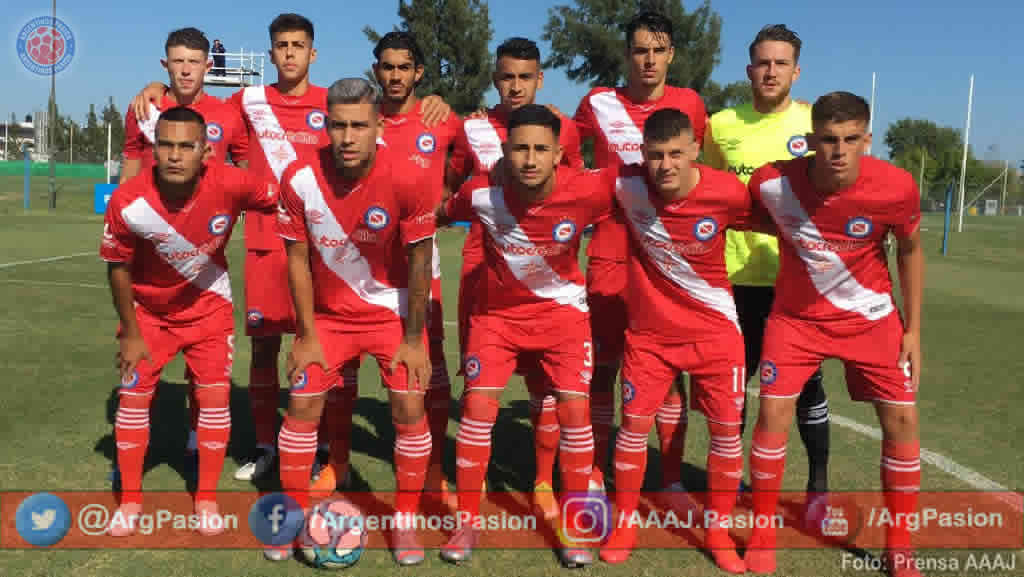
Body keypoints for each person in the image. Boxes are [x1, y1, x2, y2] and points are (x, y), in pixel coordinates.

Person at [129, 15, 453, 487]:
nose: (289, 54)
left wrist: (435, 100)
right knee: (265, 349)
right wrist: (158, 87)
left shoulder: (334, 102)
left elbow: (387, 117)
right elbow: (198, 106)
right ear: (271, 53)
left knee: (329, 351)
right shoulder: (249, 100)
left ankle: (325, 449)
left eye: (298, 45)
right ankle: (266, 446)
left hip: (326, 250)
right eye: (281, 45)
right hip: (267, 242)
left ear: (312, 53)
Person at [743, 91, 924, 577]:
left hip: (871, 318)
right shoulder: (772, 182)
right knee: (773, 412)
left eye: (850, 139)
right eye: (828, 140)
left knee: (903, 421)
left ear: (867, 139)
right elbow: (745, 215)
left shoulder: (897, 187)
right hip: (796, 320)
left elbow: (910, 251)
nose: (839, 150)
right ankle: (762, 535)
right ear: (810, 141)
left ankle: (899, 547)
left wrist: (913, 330)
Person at [437, 104, 609, 568]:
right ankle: (467, 522)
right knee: (476, 411)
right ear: (504, 152)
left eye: (540, 149)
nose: (530, 159)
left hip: (563, 318)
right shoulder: (480, 194)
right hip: (497, 319)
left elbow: (648, 189)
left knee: (575, 413)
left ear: (558, 154)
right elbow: (438, 212)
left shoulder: (590, 189)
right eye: (520, 149)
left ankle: (573, 526)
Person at [274, 77, 436, 566]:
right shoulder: (299, 177)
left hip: (391, 313)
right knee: (302, 402)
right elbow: (296, 260)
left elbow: (421, 264)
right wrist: (305, 336)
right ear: (325, 125)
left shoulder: (409, 176)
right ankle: (293, 517)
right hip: (328, 318)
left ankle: (404, 521)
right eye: (338, 125)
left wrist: (414, 339)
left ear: (378, 126)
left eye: (359, 126)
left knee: (408, 405)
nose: (347, 137)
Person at [100, 106, 276, 537]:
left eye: (185, 146)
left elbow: (285, 196)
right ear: (154, 149)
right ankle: (131, 502)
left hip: (209, 309)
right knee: (132, 402)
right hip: (149, 315)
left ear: (206, 151)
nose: (175, 155)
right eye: (165, 145)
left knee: (214, 402)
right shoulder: (128, 201)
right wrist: (131, 333)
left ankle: (206, 500)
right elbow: (117, 268)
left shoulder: (233, 183)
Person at [597, 109, 749, 573]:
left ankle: (717, 532)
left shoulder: (728, 192)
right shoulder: (626, 185)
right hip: (650, 337)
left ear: (695, 150)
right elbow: (560, 185)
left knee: (726, 434)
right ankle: (625, 523)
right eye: (656, 155)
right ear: (643, 153)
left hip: (716, 334)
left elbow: (780, 222)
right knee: (633, 428)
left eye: (676, 154)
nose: (665, 165)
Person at [311, 30, 460, 499]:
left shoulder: (442, 120)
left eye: (404, 67)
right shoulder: (358, 119)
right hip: (354, 265)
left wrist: (444, 206)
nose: (395, 75)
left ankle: (432, 469)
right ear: (376, 70)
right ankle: (337, 462)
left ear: (418, 72)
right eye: (387, 67)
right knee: (342, 373)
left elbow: (473, 168)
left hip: (417, 265)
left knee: (429, 370)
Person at [444, 36, 584, 520]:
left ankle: (543, 479)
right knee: (478, 372)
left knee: (545, 383)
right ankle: (474, 475)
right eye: (507, 77)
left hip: (546, 269)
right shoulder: (472, 127)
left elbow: (574, 190)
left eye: (526, 77)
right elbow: (453, 186)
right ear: (495, 78)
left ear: (540, 79)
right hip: (482, 264)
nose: (516, 86)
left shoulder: (563, 128)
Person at [572, 9, 706, 503]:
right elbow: (565, 148)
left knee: (670, 372)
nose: (649, 60)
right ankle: (594, 473)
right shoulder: (598, 102)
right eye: (640, 50)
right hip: (610, 252)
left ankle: (670, 480)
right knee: (604, 366)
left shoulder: (690, 103)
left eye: (658, 50)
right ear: (627, 54)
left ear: (671, 54)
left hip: (669, 259)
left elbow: (696, 168)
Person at [703, 24, 831, 513]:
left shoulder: (814, 124)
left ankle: (818, 488)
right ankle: (729, 483)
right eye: (763, 63)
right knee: (732, 387)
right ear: (749, 69)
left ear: (796, 72)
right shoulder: (720, 125)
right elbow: (708, 188)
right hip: (732, 279)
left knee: (807, 387)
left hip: (794, 281)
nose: (771, 71)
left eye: (781, 63)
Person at [119, 26, 246, 475]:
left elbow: (245, 170)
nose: (186, 70)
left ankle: (196, 440)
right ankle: (131, 455)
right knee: (139, 366)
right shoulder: (145, 108)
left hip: (202, 260)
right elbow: (129, 171)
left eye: (194, 62)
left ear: (208, 66)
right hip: (152, 257)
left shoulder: (229, 114)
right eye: (177, 61)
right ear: (165, 65)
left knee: (205, 370)